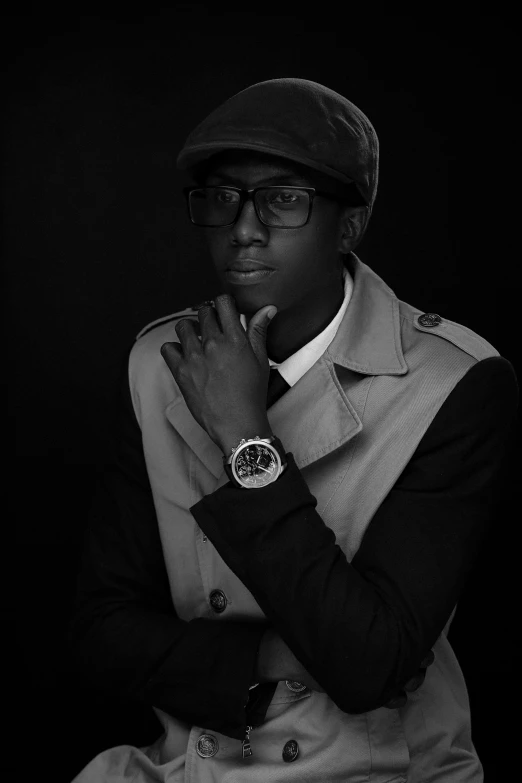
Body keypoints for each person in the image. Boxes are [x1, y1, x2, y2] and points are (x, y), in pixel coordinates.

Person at [69, 78, 518, 782]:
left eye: (283, 198)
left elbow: (369, 665)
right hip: (194, 758)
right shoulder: (157, 363)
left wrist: (245, 435)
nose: (243, 227)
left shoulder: (455, 382)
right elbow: (102, 630)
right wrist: (267, 657)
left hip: (382, 767)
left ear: (349, 225)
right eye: (222, 198)